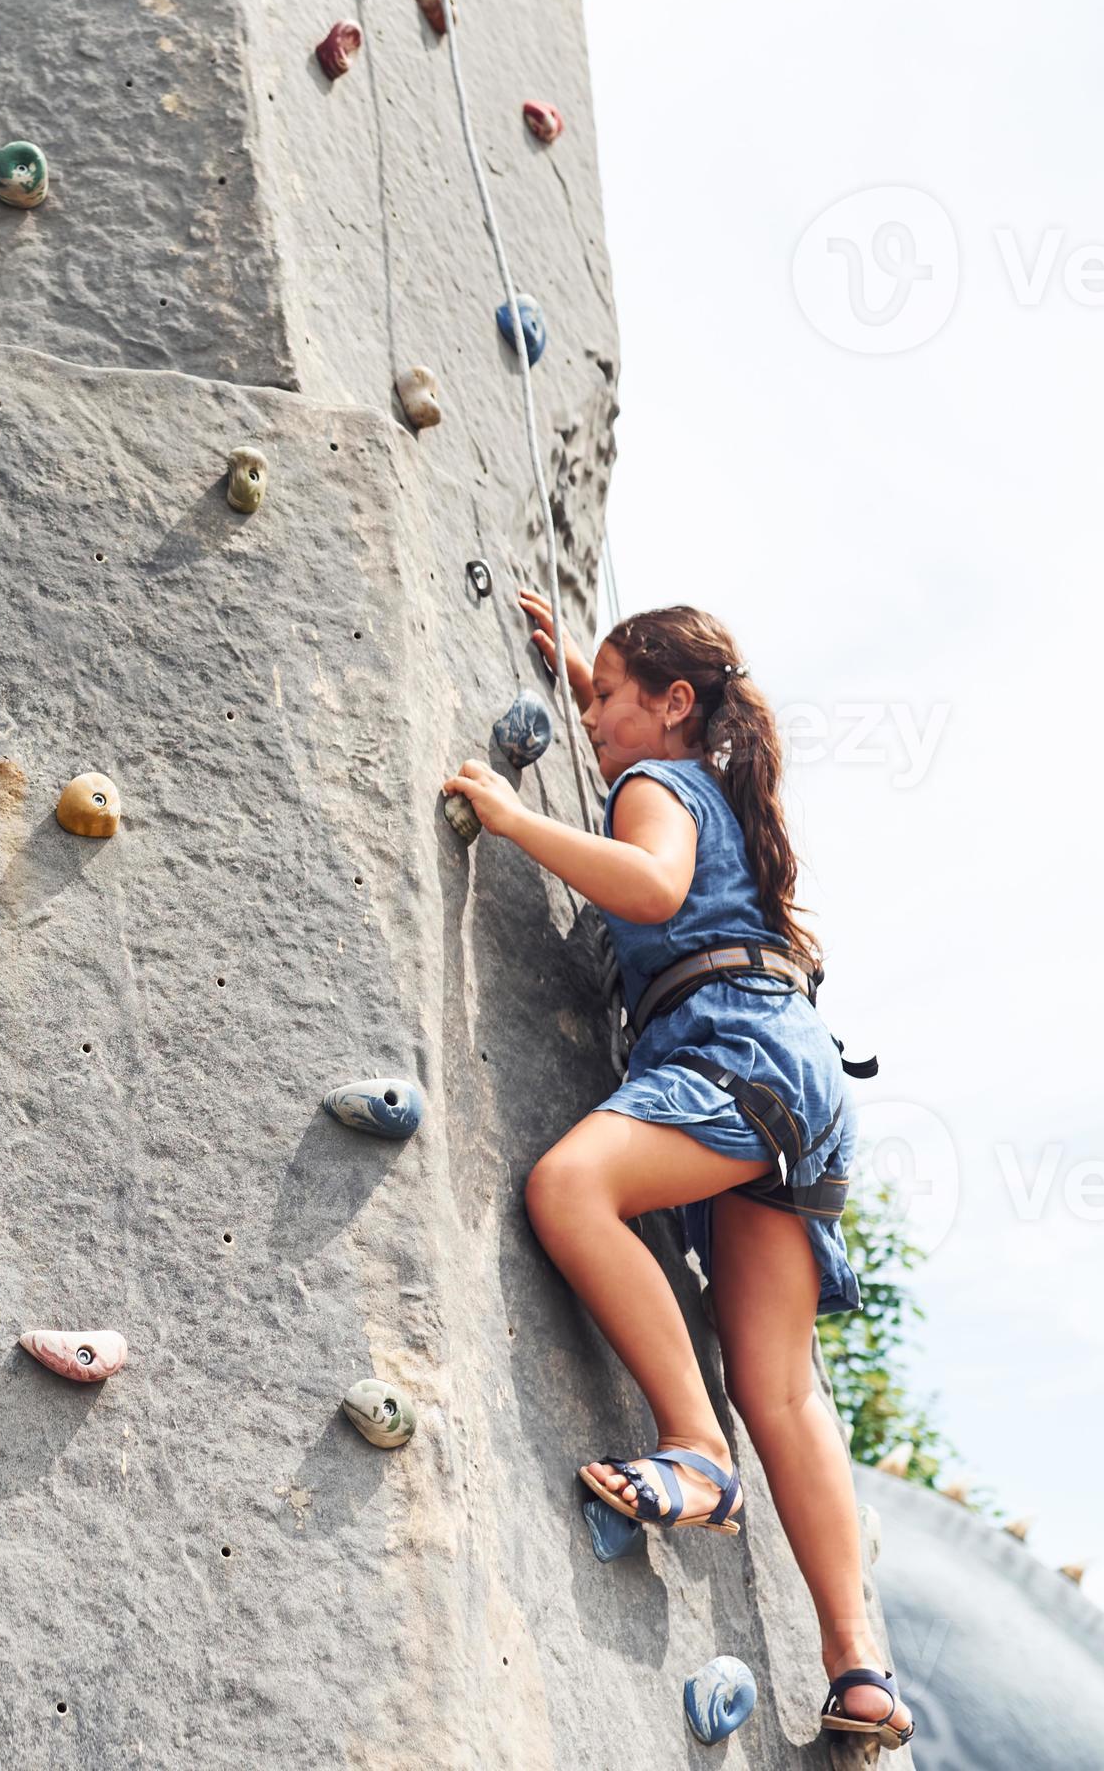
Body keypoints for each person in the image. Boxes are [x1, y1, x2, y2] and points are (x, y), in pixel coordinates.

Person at [441, 594, 913, 1750]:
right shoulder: (708, 786)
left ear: (672, 704)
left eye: (606, 697)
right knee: (784, 1387)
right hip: (788, 1074)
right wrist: (564, 665)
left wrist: (508, 817)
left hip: (724, 1052)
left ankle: (693, 1452)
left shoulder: (651, 787)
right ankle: (859, 1671)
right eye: (582, 695)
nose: (590, 717)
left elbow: (646, 887)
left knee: (568, 1187)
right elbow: (661, 823)